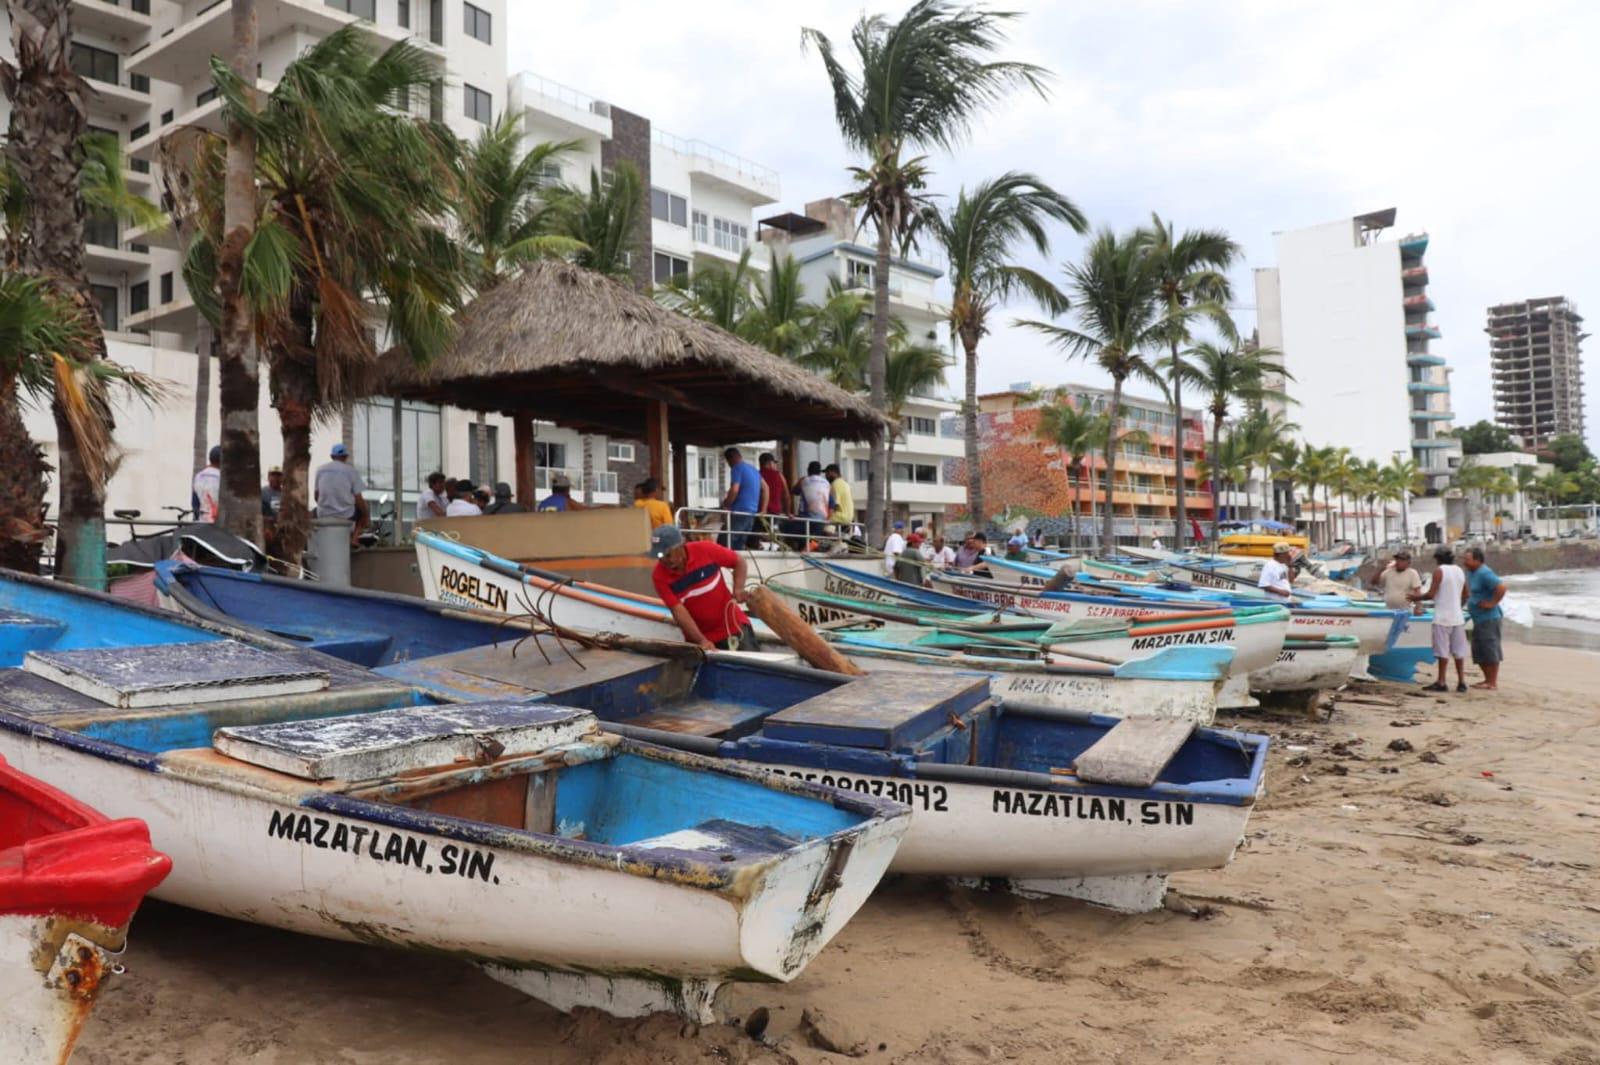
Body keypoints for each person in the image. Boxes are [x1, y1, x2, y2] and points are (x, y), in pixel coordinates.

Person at [649, 524, 756, 651]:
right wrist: (701, 640)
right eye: (660, 557)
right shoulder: (659, 576)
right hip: (701, 640)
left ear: (681, 545)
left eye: (668, 555)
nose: (665, 561)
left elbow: (739, 562)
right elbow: (678, 612)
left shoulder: (706, 549)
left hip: (734, 628)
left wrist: (738, 589)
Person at [1413, 546, 1468, 692]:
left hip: (1442, 617)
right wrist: (1458, 606)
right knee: (1458, 652)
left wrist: (1415, 597)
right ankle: (1461, 681)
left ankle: (1442, 681)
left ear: (1437, 558)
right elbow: (1466, 594)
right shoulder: (1459, 570)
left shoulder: (1439, 571)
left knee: (1442, 652)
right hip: (1458, 617)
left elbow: (1431, 594)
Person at [1462, 546, 1507, 690]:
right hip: (1477, 618)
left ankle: (1492, 682)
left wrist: (1492, 603)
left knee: (1490, 649)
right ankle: (1486, 679)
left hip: (1489, 618)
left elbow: (1501, 588)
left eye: (1468, 560)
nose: (1465, 562)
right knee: (1478, 650)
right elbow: (1468, 592)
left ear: (1478, 560)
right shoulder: (1470, 572)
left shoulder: (1484, 573)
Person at [313, 442, 368, 544]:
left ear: (332, 456)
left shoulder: (320, 470)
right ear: (346, 457)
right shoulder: (351, 471)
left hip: (323, 513)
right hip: (346, 514)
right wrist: (365, 514)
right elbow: (358, 498)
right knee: (363, 514)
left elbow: (316, 496)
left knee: (312, 515)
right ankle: (354, 539)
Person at [719, 447, 764, 549]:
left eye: (728, 462)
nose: (729, 465)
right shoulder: (754, 470)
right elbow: (766, 488)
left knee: (723, 542)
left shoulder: (737, 468)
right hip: (752, 513)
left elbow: (735, 489)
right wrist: (763, 509)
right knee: (739, 544)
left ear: (731, 459)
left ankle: (720, 564)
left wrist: (726, 504)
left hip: (739, 511)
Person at [192, 445, 221, 523]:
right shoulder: (223, 478)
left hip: (202, 523)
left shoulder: (199, 476)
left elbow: (195, 503)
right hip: (219, 524)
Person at [758, 453, 788, 517]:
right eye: (775, 463)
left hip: (760, 512)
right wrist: (787, 512)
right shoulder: (779, 475)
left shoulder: (757, 474)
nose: (775, 465)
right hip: (776, 513)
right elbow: (786, 495)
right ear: (770, 463)